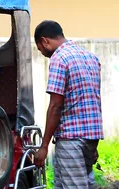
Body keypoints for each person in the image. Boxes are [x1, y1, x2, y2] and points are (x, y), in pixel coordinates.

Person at [33, 20, 104, 189]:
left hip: (71, 139)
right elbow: (93, 98)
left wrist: (44, 147)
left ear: (45, 41)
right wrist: (93, 146)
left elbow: (56, 106)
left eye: (40, 48)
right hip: (91, 139)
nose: (42, 53)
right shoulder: (91, 57)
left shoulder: (59, 59)